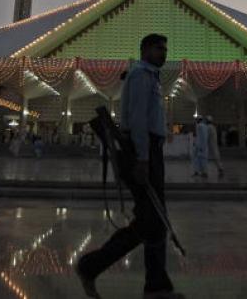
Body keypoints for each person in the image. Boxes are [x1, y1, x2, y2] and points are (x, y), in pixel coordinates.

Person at [77, 33, 184, 299]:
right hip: (141, 151)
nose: (164, 54)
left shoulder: (150, 77)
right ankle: (95, 267)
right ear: (146, 50)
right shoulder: (139, 75)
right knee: (153, 219)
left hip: (149, 150)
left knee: (153, 220)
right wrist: (143, 159)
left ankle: (154, 285)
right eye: (159, 49)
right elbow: (137, 120)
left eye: (165, 49)